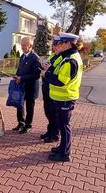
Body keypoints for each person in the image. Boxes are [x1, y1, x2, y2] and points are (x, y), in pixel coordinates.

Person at [41, 32, 83, 162]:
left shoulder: (71, 60)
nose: (58, 45)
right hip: (61, 98)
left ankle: (65, 153)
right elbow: (55, 70)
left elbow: (61, 81)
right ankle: (62, 147)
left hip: (66, 98)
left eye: (61, 43)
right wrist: (49, 70)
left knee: (65, 126)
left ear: (68, 43)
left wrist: (46, 74)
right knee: (62, 124)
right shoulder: (66, 56)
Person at [12, 37, 41, 134]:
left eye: (24, 45)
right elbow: (19, 70)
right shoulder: (22, 56)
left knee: (29, 107)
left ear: (30, 46)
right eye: (21, 45)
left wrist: (22, 78)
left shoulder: (35, 58)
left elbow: (36, 75)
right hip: (21, 86)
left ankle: (28, 125)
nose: (22, 47)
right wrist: (16, 76)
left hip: (31, 88)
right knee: (19, 104)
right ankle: (21, 123)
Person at [40, 38, 63, 143]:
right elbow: (47, 66)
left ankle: (54, 134)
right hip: (46, 86)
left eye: (56, 45)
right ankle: (50, 131)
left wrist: (47, 70)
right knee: (48, 111)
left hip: (54, 89)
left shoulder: (62, 58)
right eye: (53, 45)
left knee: (54, 113)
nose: (54, 47)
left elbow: (55, 73)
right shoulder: (53, 56)